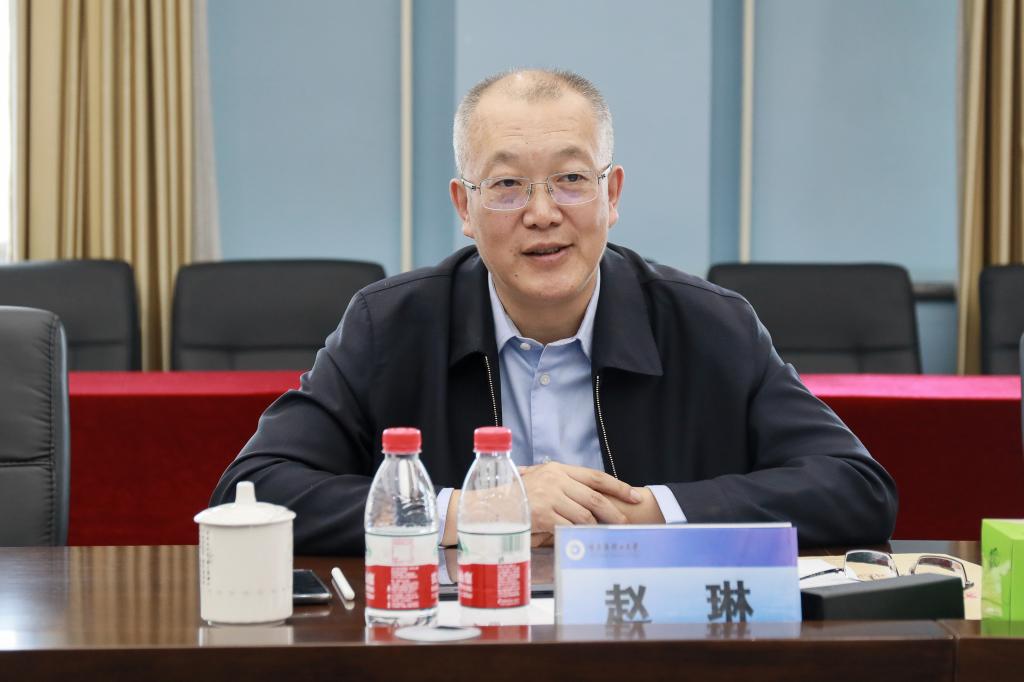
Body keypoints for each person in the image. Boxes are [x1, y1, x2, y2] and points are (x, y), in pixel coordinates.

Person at [211, 69, 897, 555]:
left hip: (653, 645)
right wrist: (476, 510)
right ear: (465, 207)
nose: (542, 213)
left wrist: (649, 512)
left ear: (612, 194)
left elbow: (855, 488)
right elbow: (253, 489)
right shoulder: (388, 326)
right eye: (507, 184)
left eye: (571, 179)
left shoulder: (709, 325)